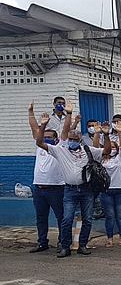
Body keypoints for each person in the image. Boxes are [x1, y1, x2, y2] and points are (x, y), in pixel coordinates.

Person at [35, 104, 111, 258]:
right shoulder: (60, 150)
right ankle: (65, 246)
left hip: (86, 190)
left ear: (80, 140)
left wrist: (107, 135)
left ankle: (82, 245)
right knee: (67, 219)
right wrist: (43, 126)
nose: (72, 141)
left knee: (88, 219)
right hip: (69, 190)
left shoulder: (88, 151)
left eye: (75, 139)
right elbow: (40, 143)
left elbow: (107, 151)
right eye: (70, 139)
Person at [27, 102, 65, 254]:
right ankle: (42, 242)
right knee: (40, 218)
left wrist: (69, 116)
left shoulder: (59, 148)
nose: (46, 139)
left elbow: (66, 129)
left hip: (56, 188)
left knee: (61, 218)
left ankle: (63, 242)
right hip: (39, 188)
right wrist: (31, 111)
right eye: (45, 137)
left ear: (56, 139)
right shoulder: (39, 146)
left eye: (50, 137)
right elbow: (34, 128)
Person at [100, 121, 121, 247]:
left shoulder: (120, 158)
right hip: (106, 192)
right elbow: (97, 146)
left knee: (120, 216)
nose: (112, 149)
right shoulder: (101, 159)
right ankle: (110, 239)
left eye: (114, 147)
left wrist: (120, 132)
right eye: (109, 147)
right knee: (110, 216)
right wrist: (102, 134)